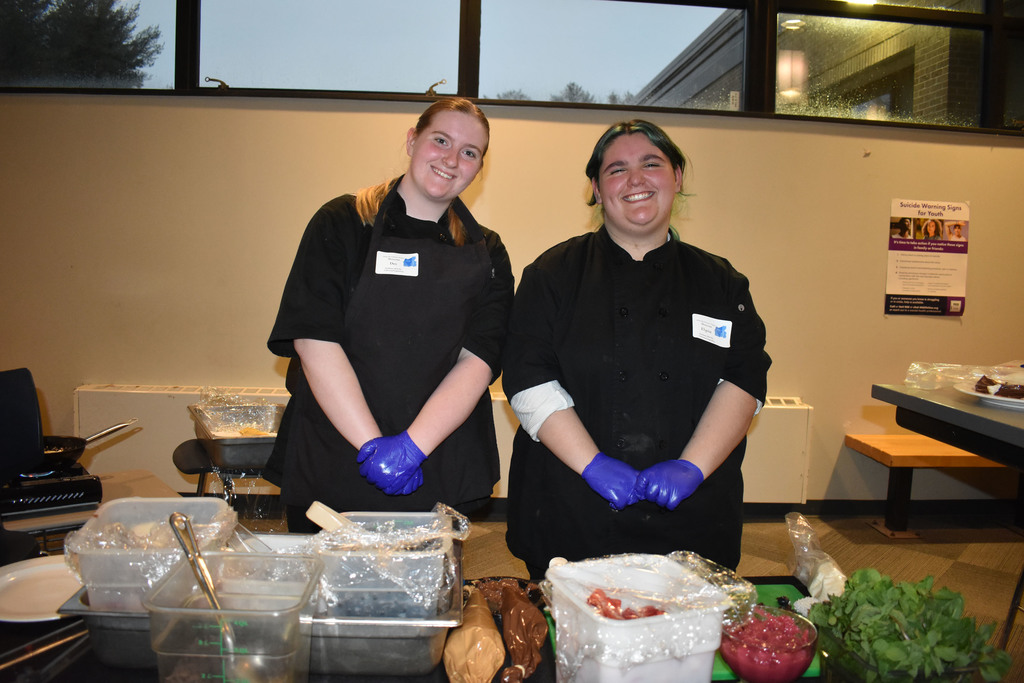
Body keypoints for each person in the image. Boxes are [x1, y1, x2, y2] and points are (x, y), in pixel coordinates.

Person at [502, 120, 770, 579]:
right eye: (616, 169)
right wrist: (593, 465)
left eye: (652, 164)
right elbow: (527, 380)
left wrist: (692, 466)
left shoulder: (720, 281)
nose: (636, 180)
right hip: (573, 508)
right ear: (595, 187)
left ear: (678, 177)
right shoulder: (552, 274)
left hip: (693, 512)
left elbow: (743, 378)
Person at [266, 97, 514, 532]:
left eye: (469, 152)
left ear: (479, 168)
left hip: (436, 459)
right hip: (337, 455)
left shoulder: (487, 252)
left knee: (428, 598)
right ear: (412, 140)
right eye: (441, 140)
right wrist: (372, 446)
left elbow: (479, 360)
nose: (452, 159)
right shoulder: (342, 222)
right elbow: (314, 338)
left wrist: (411, 449)